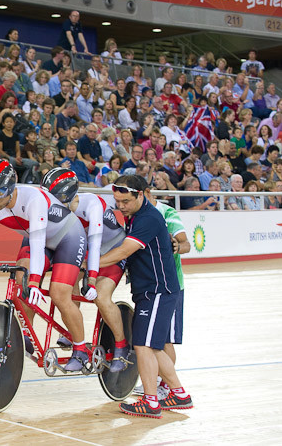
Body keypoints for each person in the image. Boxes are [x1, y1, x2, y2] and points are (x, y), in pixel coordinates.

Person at [0, 160, 88, 370]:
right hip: (36, 237)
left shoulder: (33, 199)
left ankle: (81, 349)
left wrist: (35, 282)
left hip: (68, 237)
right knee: (20, 278)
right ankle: (26, 335)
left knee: (59, 293)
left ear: (11, 186)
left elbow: (39, 242)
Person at [100, 175, 193, 418]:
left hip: (157, 291)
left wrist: (89, 265)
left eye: (126, 201)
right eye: (118, 201)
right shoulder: (135, 215)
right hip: (151, 291)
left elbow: (124, 250)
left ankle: (151, 401)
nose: (121, 207)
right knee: (152, 346)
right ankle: (179, 394)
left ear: (141, 195)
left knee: (142, 345)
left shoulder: (149, 218)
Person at [42, 168, 130, 372]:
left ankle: (121, 345)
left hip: (112, 250)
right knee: (64, 290)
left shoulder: (92, 205)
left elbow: (96, 242)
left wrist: (91, 279)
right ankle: (75, 335)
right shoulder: (57, 209)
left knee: (100, 297)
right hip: (88, 252)